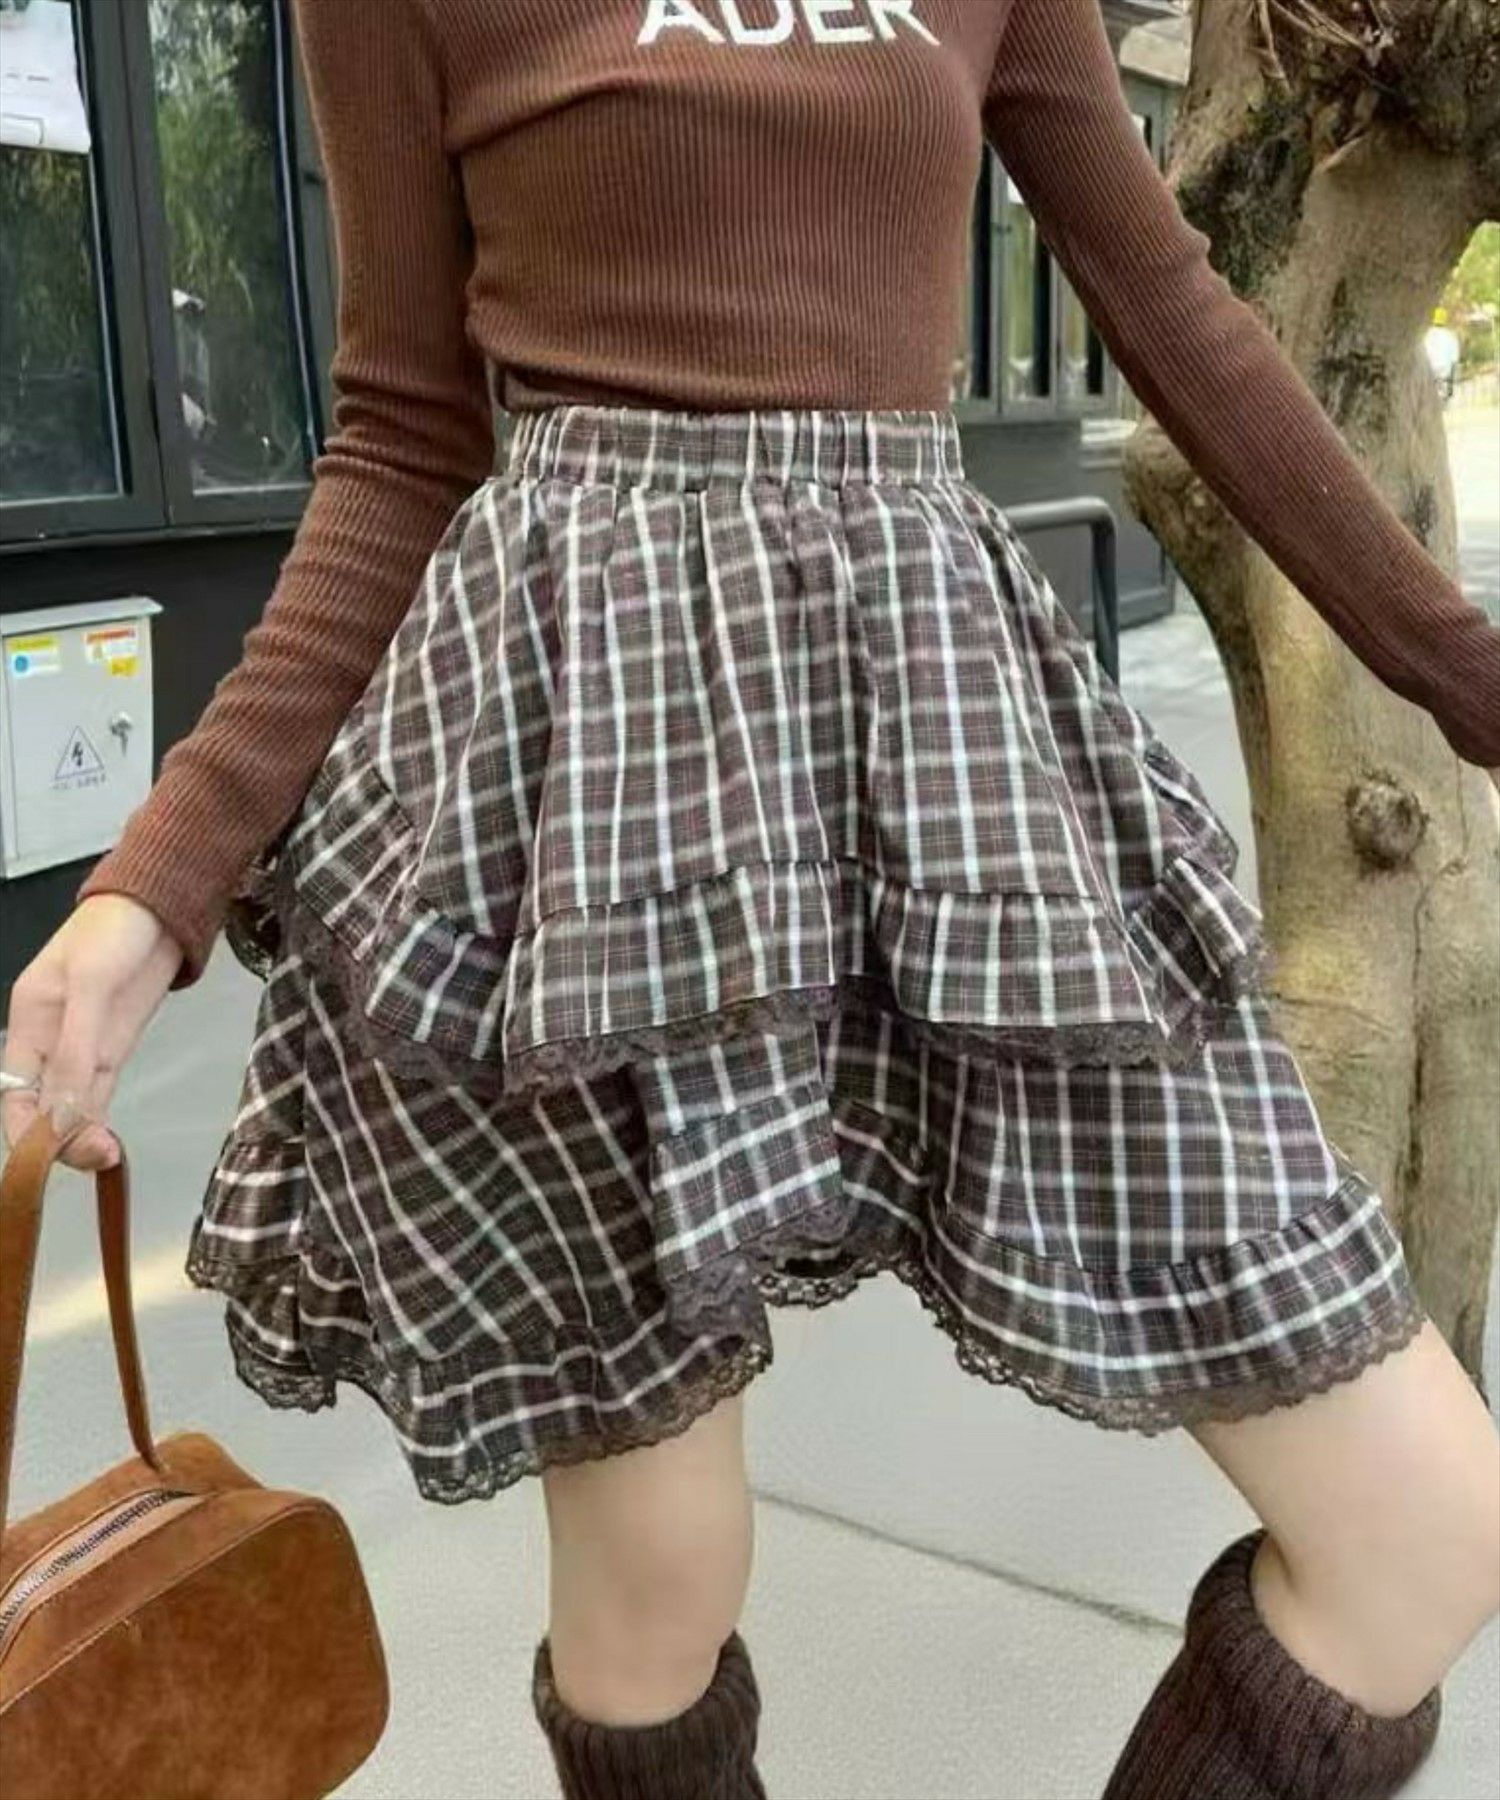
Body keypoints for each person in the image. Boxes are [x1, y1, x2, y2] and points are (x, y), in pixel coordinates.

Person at [4, 3, 1500, 1795]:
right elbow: (403, 435)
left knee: (1423, 1528)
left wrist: (1467, 676)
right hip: (580, 789)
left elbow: (1176, 311)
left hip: (940, 763)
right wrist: (162, 878)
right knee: (659, 1578)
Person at [1425, 307, 1462, 404]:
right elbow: (1454, 360)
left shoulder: (1427, 335)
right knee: (1444, 401)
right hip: (1445, 372)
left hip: (1430, 372)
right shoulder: (1451, 336)